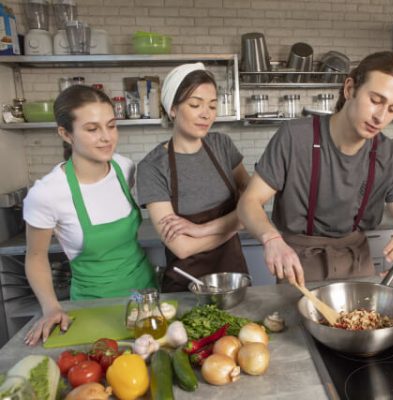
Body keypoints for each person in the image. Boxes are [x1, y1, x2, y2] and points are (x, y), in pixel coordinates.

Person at [238, 51, 393, 286]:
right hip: (299, 266)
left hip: (358, 266)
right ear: (349, 89)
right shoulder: (295, 137)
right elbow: (249, 202)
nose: (381, 117)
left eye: (392, 109)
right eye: (376, 101)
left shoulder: (390, 155)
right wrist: (271, 239)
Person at [23, 85, 157, 346]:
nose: (107, 137)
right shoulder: (48, 193)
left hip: (145, 296)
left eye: (111, 125)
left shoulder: (124, 168)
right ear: (66, 134)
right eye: (92, 129)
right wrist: (51, 307)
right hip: (93, 305)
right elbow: (35, 256)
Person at [136, 63, 250, 292]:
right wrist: (236, 224)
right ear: (173, 109)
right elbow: (182, 248)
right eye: (195, 104)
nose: (206, 114)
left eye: (212, 105)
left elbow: (253, 201)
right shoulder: (152, 167)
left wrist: (201, 230)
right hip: (187, 287)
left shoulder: (222, 146)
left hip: (233, 280)